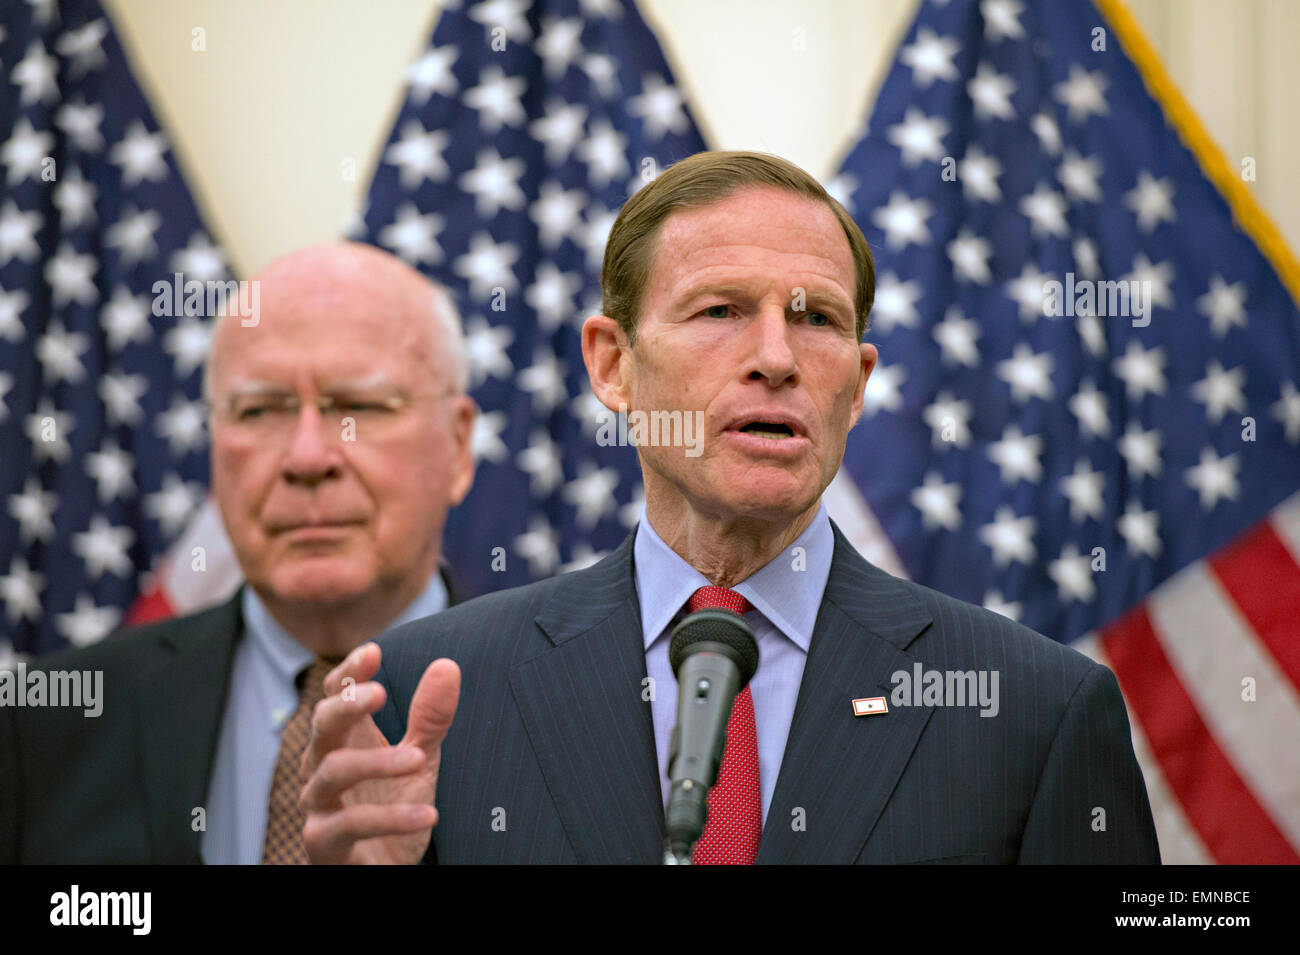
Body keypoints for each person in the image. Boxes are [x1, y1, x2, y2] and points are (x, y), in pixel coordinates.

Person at [299, 153, 1160, 865]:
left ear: (856, 387)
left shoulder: (1034, 709)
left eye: (816, 317)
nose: (777, 358)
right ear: (612, 365)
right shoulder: (425, 692)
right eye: (721, 311)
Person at [0, 242, 477, 864]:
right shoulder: (45, 726)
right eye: (261, 410)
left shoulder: (581, 721)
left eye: (359, 405)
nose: (308, 457)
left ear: (458, 446)